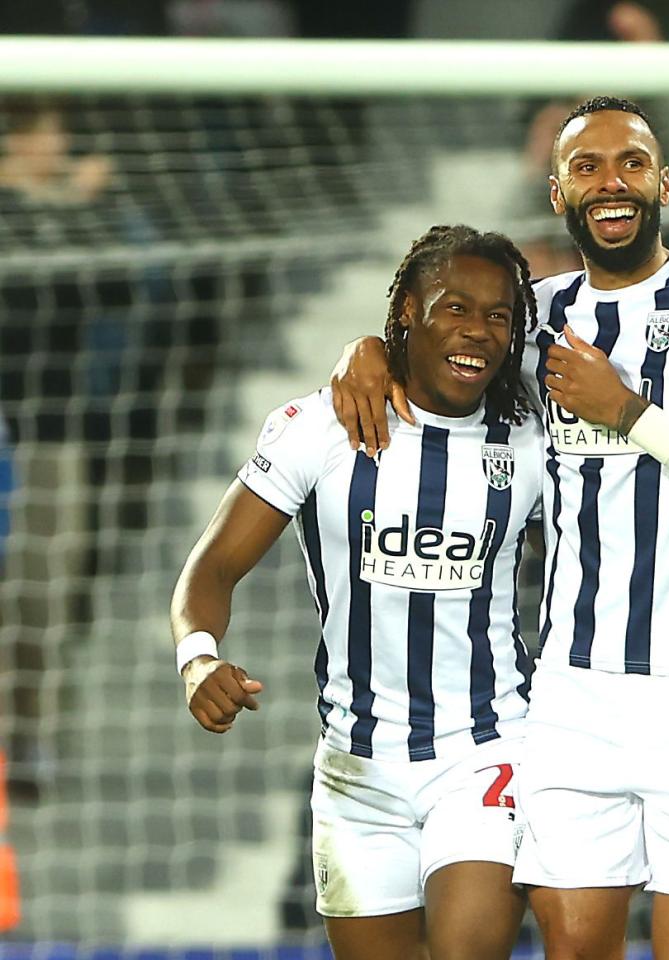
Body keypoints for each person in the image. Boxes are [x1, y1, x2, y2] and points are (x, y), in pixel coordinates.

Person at [330, 96, 669, 959]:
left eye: (630, 163)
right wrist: (364, 348)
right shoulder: (532, 317)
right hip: (571, 699)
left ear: (663, 180)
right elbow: (436, 348)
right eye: (586, 167)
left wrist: (625, 409)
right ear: (558, 194)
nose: (611, 183)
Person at [173, 225, 543, 960]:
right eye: (455, 308)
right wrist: (198, 659)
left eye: (499, 316)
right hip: (355, 771)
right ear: (407, 309)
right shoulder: (320, 428)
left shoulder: (533, 438)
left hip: (486, 751)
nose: (478, 331)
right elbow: (210, 570)